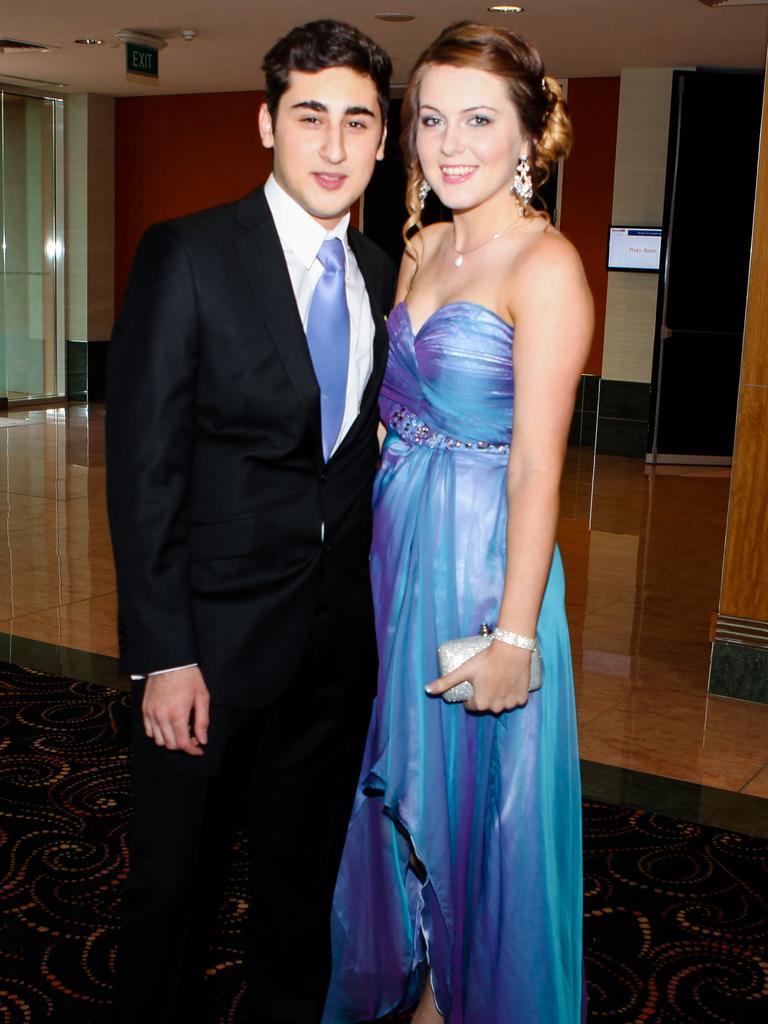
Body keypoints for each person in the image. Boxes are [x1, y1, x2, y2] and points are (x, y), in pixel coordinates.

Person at [105, 20, 396, 1024]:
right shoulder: (187, 255)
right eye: (309, 115)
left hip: (331, 657)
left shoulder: (385, 278)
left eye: (356, 121)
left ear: (383, 140)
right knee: (171, 893)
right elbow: (142, 474)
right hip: (207, 651)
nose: (331, 145)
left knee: (298, 894)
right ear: (265, 121)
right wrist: (164, 653)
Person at [323, 21, 592, 1024]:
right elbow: (384, 413)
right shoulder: (424, 245)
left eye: (479, 117)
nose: (449, 140)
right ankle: (414, 975)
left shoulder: (547, 267)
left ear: (530, 135)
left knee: (479, 798)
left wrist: (516, 634)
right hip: (394, 544)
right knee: (390, 773)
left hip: (484, 558)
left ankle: (463, 996)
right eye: (431, 117)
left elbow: (536, 466)